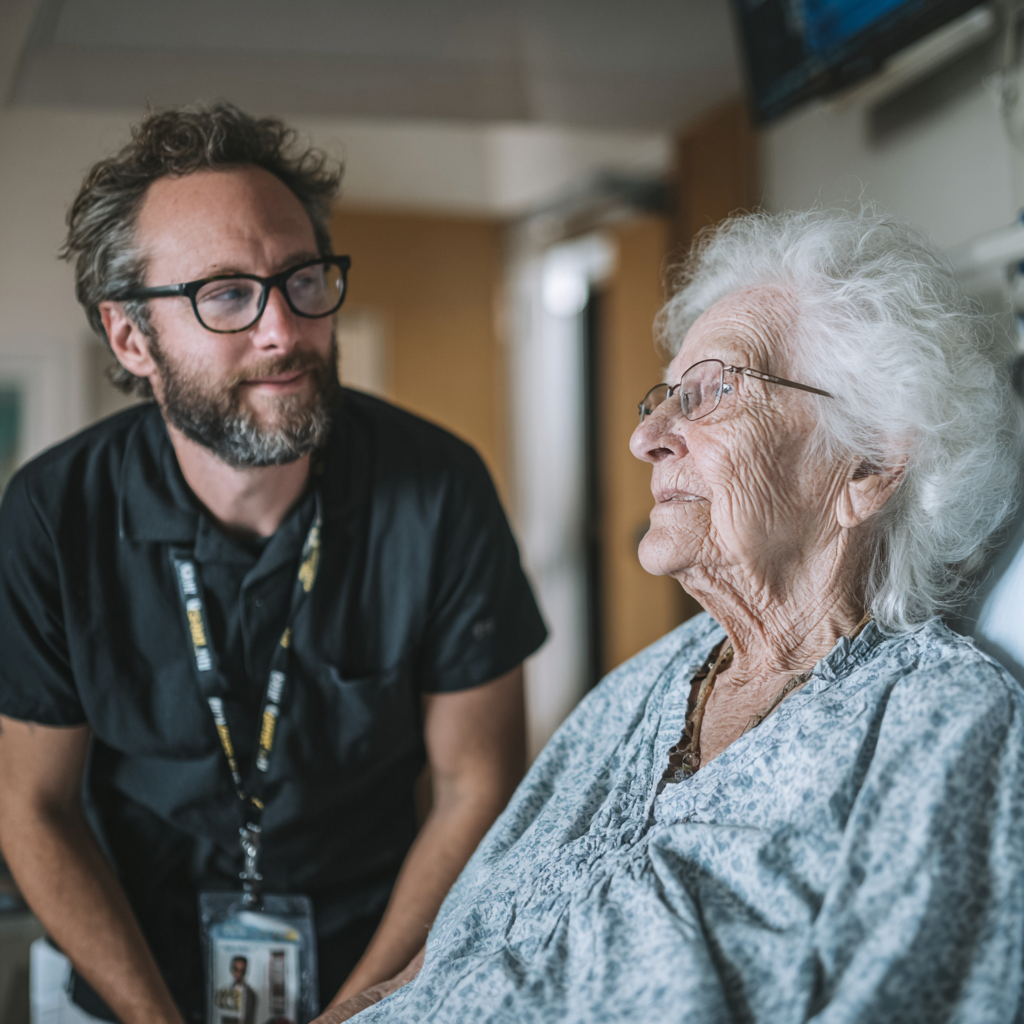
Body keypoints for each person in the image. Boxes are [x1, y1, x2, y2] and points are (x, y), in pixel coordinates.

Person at [322, 208, 1024, 1023]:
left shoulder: (938, 722)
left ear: (868, 464)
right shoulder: (648, 683)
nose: (646, 435)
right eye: (664, 396)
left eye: (715, 391)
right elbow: (440, 961)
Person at [0, 103, 546, 1024]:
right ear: (132, 338)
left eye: (301, 280)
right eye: (224, 294)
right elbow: (32, 808)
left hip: (384, 971)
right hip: (123, 979)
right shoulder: (52, 516)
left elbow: (475, 786)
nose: (284, 331)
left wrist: (360, 1012)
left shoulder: (439, 486)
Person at [215, 957, 257, 1024]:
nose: (239, 974)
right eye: (236, 969)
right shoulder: (224, 992)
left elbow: (251, 1018)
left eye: (242, 971)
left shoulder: (251, 994)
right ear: (231, 970)